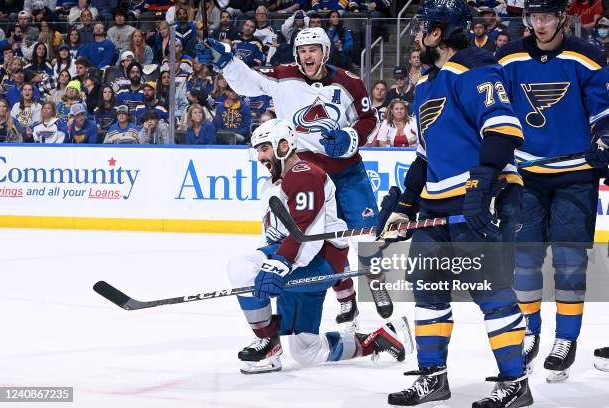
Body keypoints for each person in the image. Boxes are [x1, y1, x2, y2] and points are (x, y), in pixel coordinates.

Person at [383, 0, 532, 406]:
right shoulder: (427, 83)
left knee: (491, 292)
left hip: (477, 204)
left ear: (437, 33)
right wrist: (405, 206)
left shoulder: (476, 67)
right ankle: (433, 377)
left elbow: (502, 129)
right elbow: (426, 155)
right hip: (437, 208)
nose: (415, 35)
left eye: (420, 28)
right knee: (428, 292)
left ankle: (515, 382)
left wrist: (484, 184)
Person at [204, 27, 392, 325]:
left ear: (325, 52)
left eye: (314, 49)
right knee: (324, 242)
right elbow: (250, 82)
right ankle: (347, 297)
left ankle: (379, 286)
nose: (308, 55)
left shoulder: (350, 83)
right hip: (308, 176)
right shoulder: (283, 76)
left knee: (367, 236)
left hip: (347, 172)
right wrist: (227, 63)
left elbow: (369, 119)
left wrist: (349, 137)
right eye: (303, 50)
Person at [228, 118, 409, 374]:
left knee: (240, 266)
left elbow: (306, 235)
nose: (260, 156)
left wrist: (278, 265)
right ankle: (380, 338)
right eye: (257, 150)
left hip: (317, 263)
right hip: (299, 262)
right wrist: (270, 261)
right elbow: (270, 236)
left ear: (283, 146)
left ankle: (268, 342)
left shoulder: (306, 175)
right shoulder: (273, 184)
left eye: (264, 148)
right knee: (306, 351)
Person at [496, 0, 609, 383]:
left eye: (545, 17)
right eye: (533, 18)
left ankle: (566, 338)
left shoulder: (588, 56)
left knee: (570, 260)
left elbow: (603, 109)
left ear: (562, 18)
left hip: (576, 173)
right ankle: (531, 330)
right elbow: (497, 111)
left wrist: (605, 138)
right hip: (526, 173)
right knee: (524, 259)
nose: (539, 24)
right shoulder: (508, 57)